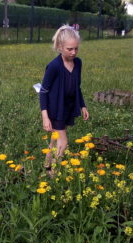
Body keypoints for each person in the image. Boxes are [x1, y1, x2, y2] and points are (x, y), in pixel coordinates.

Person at [39, 25, 89, 172]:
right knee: (63, 142)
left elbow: (77, 87)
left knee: (55, 139)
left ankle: (47, 166)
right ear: (60, 47)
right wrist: (45, 117)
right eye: (69, 49)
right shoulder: (54, 66)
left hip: (68, 107)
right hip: (56, 110)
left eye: (76, 49)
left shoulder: (78, 63)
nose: (73, 52)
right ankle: (54, 173)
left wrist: (83, 106)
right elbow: (43, 91)